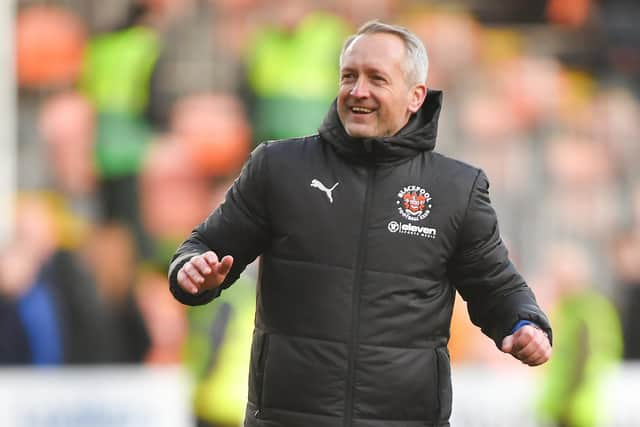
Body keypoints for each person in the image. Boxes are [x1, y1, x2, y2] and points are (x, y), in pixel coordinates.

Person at [168, 20, 552, 427]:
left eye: (376, 79)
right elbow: (203, 246)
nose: (358, 91)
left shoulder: (457, 189)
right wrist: (192, 271)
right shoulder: (277, 167)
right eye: (349, 76)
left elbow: (497, 287)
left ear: (415, 96)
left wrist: (523, 323)